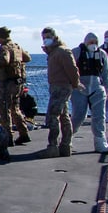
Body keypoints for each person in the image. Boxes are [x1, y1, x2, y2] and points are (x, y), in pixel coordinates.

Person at [38, 27, 81, 158]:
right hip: (57, 86)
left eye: (48, 37)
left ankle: (53, 146)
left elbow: (72, 69)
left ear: (55, 37)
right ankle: (65, 146)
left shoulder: (62, 51)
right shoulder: (55, 51)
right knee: (63, 116)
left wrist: (75, 83)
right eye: (44, 37)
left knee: (53, 116)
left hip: (61, 87)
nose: (46, 40)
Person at [70, 33, 108, 154]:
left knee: (99, 116)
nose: (93, 44)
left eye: (95, 42)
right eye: (90, 42)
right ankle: (66, 139)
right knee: (79, 116)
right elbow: (69, 69)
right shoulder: (76, 52)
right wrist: (72, 86)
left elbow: (106, 74)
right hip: (80, 88)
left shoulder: (102, 54)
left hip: (97, 87)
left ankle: (101, 142)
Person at [0, 26, 32, 146]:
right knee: (15, 109)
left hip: (7, 83)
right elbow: (28, 58)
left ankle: (8, 137)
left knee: (4, 109)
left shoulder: (4, 48)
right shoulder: (17, 46)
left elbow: (4, 60)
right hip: (18, 83)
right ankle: (24, 133)